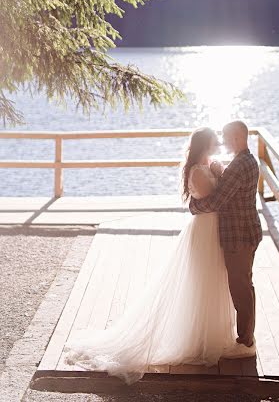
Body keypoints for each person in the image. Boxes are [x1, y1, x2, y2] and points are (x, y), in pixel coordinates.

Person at [63, 126, 239, 385]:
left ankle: (213, 335)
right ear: (204, 145)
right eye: (214, 142)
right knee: (204, 282)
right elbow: (215, 200)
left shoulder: (211, 165)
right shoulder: (197, 171)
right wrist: (219, 175)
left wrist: (219, 172)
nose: (217, 146)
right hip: (205, 231)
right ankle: (199, 339)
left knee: (215, 282)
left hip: (216, 230)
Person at [189, 120, 263, 358]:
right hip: (248, 230)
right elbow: (230, 189)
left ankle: (244, 341)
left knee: (240, 287)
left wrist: (194, 206)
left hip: (238, 235)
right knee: (245, 284)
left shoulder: (238, 166)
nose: (223, 142)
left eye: (226, 137)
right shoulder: (248, 160)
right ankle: (247, 336)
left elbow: (217, 201)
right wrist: (221, 173)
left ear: (237, 138)